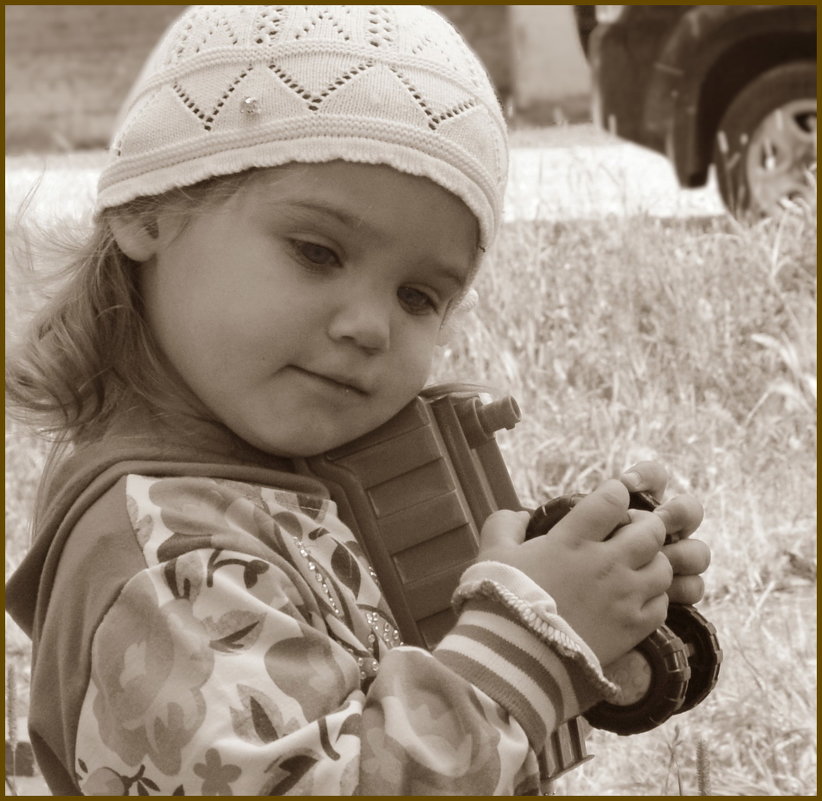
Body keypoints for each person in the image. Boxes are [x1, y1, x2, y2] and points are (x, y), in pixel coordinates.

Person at [5, 5, 710, 796]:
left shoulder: (285, 474)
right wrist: (532, 638)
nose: (371, 326)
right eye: (317, 251)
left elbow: (433, 695)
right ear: (150, 211)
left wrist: (600, 620)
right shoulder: (164, 555)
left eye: (419, 296)